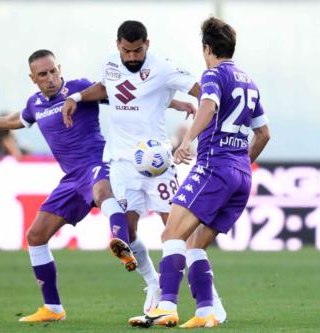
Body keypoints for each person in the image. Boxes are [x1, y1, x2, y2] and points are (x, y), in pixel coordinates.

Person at [62, 20, 227, 322]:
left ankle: (211, 300)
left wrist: (194, 108)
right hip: (123, 165)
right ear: (118, 46)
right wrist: (75, 97)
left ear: (147, 45)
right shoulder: (111, 64)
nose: (133, 57)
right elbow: (108, 88)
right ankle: (153, 286)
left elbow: (202, 90)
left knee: (177, 232)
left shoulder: (163, 67)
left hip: (159, 166)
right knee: (129, 232)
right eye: (127, 51)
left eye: (138, 51)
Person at [128, 17, 270, 328]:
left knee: (170, 234)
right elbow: (263, 135)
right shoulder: (249, 81)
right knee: (193, 244)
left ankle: (165, 305)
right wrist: (240, 164)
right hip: (241, 176)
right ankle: (207, 310)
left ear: (207, 49)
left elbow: (207, 107)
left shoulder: (212, 75)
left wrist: (188, 139)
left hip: (213, 166)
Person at [0, 49, 135, 322]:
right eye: (43, 74)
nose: (50, 78)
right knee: (35, 236)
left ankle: (120, 239)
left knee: (101, 192)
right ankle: (52, 308)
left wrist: (167, 102)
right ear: (33, 78)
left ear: (59, 68)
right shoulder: (35, 103)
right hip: (71, 179)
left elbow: (119, 94)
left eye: (53, 71)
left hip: (97, 161)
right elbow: (21, 119)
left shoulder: (79, 88)